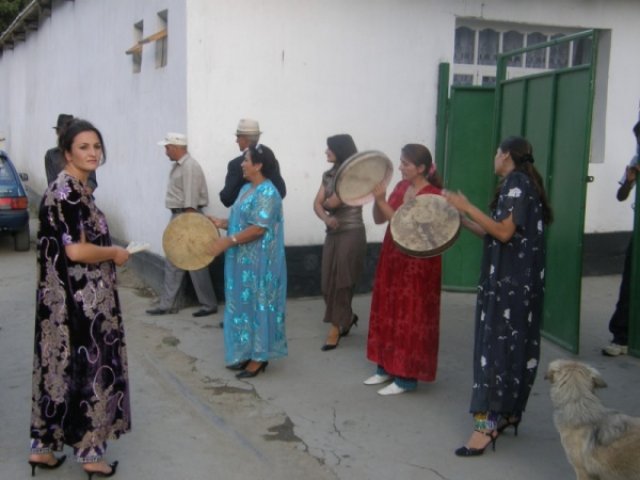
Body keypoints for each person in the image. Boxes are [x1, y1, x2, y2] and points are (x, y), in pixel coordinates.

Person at [29, 119, 130, 478]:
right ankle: (90, 454)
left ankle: (42, 447)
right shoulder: (68, 192)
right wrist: (114, 252)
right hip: (82, 304)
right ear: (67, 152)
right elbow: (75, 251)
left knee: (57, 369)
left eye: (97, 147)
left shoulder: (74, 189)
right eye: (84, 147)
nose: (92, 153)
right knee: (89, 370)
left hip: (65, 302)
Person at [445, 136, 552, 457]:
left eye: (496, 152)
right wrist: (463, 220)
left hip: (509, 287)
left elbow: (503, 232)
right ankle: (508, 413)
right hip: (513, 284)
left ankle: (485, 428)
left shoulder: (516, 183)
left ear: (506, 155)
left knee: (495, 352)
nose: (494, 157)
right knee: (512, 348)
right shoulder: (519, 183)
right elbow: (497, 234)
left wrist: (467, 206)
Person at [364, 144, 443, 395]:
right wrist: (379, 200)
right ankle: (385, 367)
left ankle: (406, 376)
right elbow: (380, 219)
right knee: (387, 309)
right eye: (401, 162)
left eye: (406, 164)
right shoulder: (400, 187)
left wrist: (379, 200)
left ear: (421, 168)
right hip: (393, 256)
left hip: (418, 263)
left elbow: (404, 225)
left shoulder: (433, 195)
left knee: (411, 316)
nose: (400, 167)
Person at [208, 144, 287, 378]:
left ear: (259, 165)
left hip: (260, 262)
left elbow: (258, 230)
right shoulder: (245, 189)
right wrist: (222, 223)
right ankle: (245, 351)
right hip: (240, 262)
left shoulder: (269, 193)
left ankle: (260, 357)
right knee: (243, 305)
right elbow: (242, 220)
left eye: (246, 160)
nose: (242, 164)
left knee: (259, 304)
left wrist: (227, 241)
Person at [146, 132, 219, 317]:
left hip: (188, 216)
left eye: (167, 147)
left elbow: (191, 199)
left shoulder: (190, 167)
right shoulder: (181, 166)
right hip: (179, 216)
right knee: (173, 259)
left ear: (177, 147)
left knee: (196, 262)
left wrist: (188, 225)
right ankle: (167, 303)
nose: (165, 151)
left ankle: (208, 304)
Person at [313, 134, 366, 350]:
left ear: (340, 150)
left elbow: (331, 202)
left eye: (330, 148)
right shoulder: (328, 175)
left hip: (351, 233)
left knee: (343, 282)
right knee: (327, 283)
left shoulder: (356, 176)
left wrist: (327, 206)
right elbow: (318, 204)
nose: (326, 151)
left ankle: (335, 328)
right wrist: (326, 217)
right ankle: (348, 316)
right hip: (332, 233)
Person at [602, 120, 640, 357]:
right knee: (630, 282)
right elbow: (620, 196)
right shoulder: (635, 160)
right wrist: (629, 180)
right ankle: (622, 336)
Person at [219, 118, 286, 207]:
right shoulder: (271, 160)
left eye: (238, 137)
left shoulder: (235, 164)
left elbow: (226, 198)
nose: (236, 141)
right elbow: (281, 192)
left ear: (245, 139)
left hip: (243, 218)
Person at [45, 113, 98, 192]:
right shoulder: (51, 155)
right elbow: (51, 183)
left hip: (83, 198)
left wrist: (87, 189)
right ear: (57, 132)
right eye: (62, 132)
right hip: (60, 198)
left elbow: (92, 180)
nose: (65, 136)